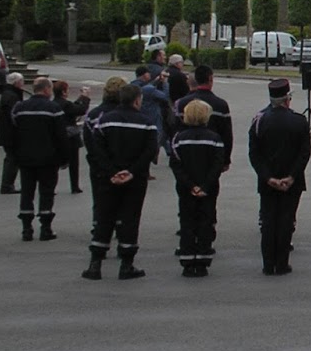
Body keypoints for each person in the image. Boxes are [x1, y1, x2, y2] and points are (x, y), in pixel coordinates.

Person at [82, 82, 159, 280]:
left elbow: (97, 149)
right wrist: (132, 171)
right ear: (137, 100)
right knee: (130, 219)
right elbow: (150, 150)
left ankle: (95, 263)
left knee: (104, 216)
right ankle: (126, 264)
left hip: (108, 179)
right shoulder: (146, 122)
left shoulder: (105, 121)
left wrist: (111, 172)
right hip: (135, 180)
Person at [249, 78, 311, 276]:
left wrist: (268, 177)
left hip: (268, 181)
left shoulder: (259, 120)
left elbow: (254, 154)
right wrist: (292, 176)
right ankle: (282, 263)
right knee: (286, 221)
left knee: (268, 221)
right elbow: (304, 153)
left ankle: (268, 263)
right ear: (287, 99)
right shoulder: (299, 121)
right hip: (291, 181)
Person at [169, 98, 226, 275]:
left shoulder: (179, 139)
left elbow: (176, 164)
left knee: (187, 222)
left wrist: (190, 185)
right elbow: (217, 164)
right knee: (205, 221)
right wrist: (205, 185)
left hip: (186, 188)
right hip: (208, 188)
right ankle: (202, 259)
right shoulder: (214, 138)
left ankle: (187, 259)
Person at [11, 75, 70, 242]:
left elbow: (13, 133)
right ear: (46, 89)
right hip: (48, 159)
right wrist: (65, 158)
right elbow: (61, 136)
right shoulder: (53, 109)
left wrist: (15, 155)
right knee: (47, 193)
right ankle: (46, 228)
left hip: (25, 158)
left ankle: (26, 229)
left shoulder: (20, 108)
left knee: (27, 192)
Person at [53, 78, 90, 194]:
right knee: (74, 162)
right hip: (70, 136)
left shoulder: (54, 103)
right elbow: (80, 110)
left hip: (57, 136)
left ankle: (51, 186)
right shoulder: (66, 104)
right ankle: (74, 186)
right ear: (64, 92)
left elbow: (73, 106)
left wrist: (80, 98)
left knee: (54, 163)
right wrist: (85, 97)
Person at [0, 71, 25, 194]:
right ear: (17, 83)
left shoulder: (8, 94)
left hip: (6, 132)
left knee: (11, 158)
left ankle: (7, 184)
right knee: (13, 159)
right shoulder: (12, 96)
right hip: (11, 133)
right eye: (22, 82)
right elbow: (14, 116)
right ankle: (7, 185)